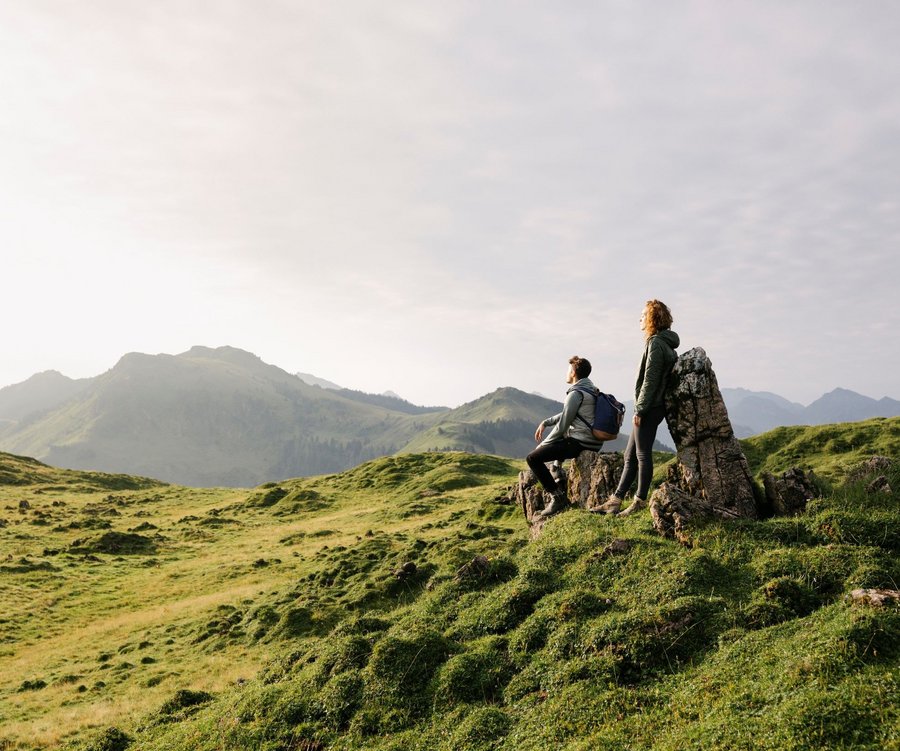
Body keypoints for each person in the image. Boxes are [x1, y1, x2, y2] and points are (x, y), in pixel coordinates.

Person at [594, 299, 679, 516]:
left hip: (650, 407)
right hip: (652, 405)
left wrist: (640, 409)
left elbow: (650, 380)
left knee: (641, 455)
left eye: (643, 315)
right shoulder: (662, 343)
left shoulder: (657, 343)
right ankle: (615, 500)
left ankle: (639, 501)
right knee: (629, 455)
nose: (640, 319)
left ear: (652, 318)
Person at [527, 355, 604, 518]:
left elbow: (563, 425)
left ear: (574, 372)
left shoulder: (576, 393)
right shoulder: (591, 389)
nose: (566, 372)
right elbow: (568, 414)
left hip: (580, 442)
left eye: (568, 369)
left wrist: (543, 444)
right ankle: (557, 472)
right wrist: (546, 422)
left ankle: (558, 498)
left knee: (533, 458)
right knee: (560, 443)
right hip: (593, 441)